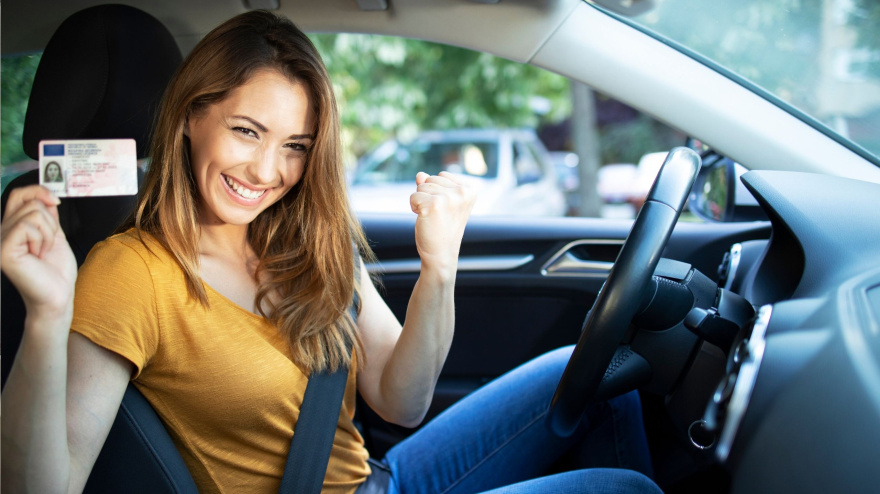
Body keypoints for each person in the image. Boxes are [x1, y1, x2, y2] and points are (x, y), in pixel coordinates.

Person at [0, 10, 661, 494]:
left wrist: (440, 267)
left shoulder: (302, 236)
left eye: (294, 145)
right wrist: (46, 314)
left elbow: (401, 402)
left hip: (378, 481)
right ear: (189, 119)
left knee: (600, 374)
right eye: (246, 131)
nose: (267, 170)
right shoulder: (131, 271)